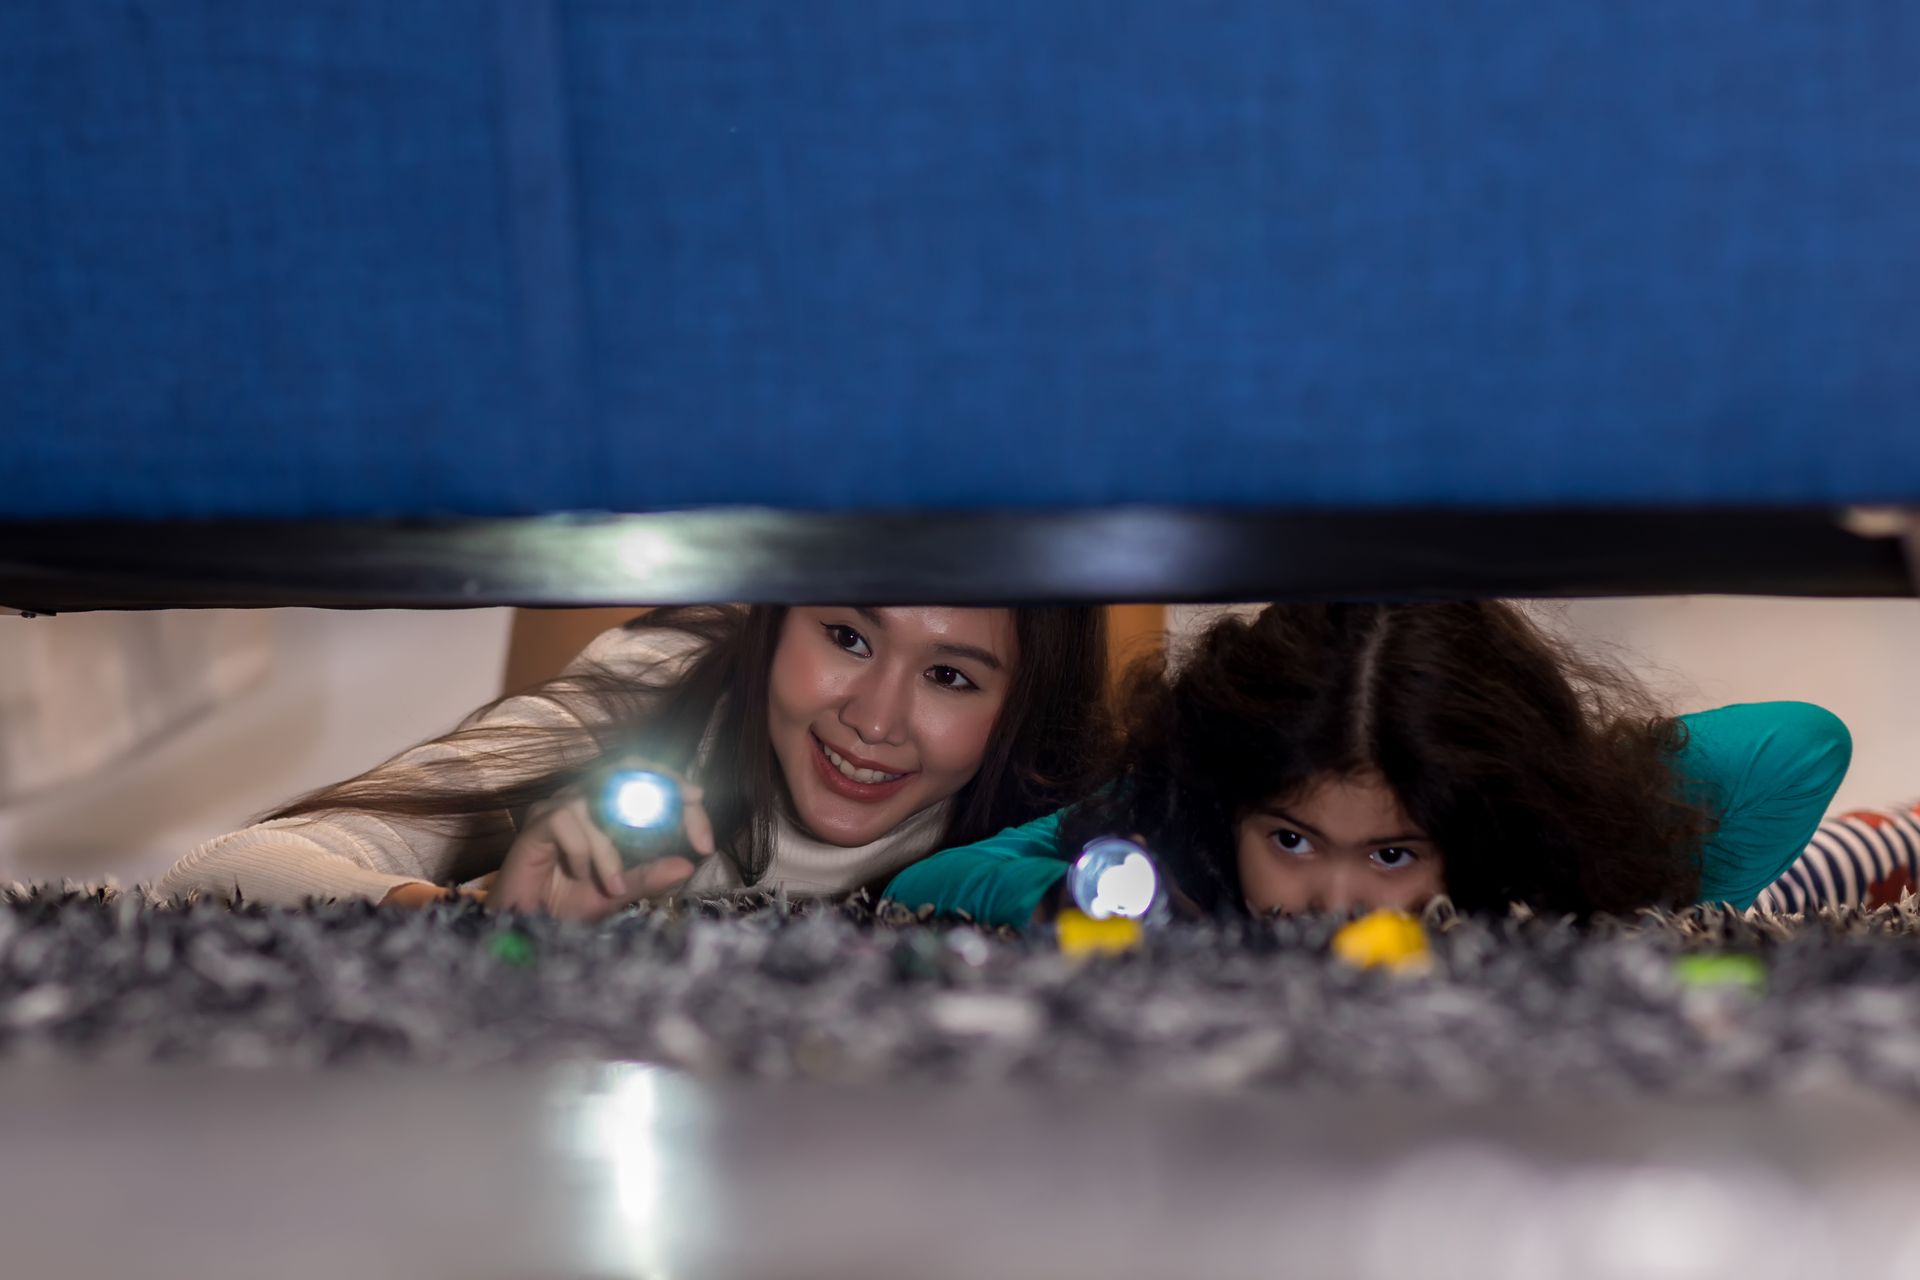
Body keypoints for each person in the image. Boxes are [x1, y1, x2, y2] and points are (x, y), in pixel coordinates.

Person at [885, 602, 1851, 927]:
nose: (1331, 897)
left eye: (1392, 855)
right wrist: (1091, 904)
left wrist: (1554, 808)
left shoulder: (1541, 837)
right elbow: (931, 880)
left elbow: (1806, 743)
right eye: (1293, 839)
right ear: (1232, 809)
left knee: (1870, 852)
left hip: (1767, 860)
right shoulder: (1176, 807)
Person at [159, 605, 1109, 917]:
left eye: (949, 676)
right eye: (848, 638)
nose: (875, 718)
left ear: (1023, 707)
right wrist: (477, 923)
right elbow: (224, 871)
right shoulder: (655, 691)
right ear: (776, 619)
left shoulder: (1073, 830)